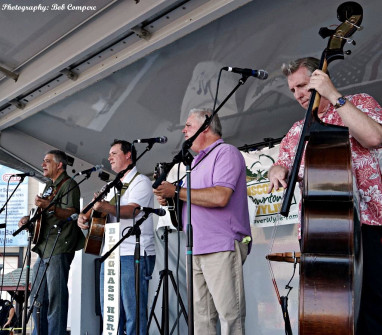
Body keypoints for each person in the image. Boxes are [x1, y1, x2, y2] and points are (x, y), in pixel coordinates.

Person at [267, 57, 382, 335]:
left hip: (370, 224)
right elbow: (281, 163)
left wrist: (333, 95)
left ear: (320, 78)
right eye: (293, 90)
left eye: (303, 86)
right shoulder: (296, 131)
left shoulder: (360, 103)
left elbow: (374, 137)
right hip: (321, 235)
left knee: (375, 307)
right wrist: (276, 167)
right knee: (331, 314)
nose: (298, 95)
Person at [154, 108, 252, 335]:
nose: (183, 130)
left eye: (188, 125)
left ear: (205, 127)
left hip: (221, 246)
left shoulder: (226, 152)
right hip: (195, 248)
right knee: (201, 320)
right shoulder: (196, 163)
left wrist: (176, 191)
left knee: (230, 317)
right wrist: (170, 200)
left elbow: (220, 196)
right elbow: (190, 201)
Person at [77, 139, 155, 335]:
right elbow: (94, 213)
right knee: (110, 312)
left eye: (114, 153)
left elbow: (132, 211)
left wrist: (106, 207)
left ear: (128, 155)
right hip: (111, 253)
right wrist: (83, 217)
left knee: (133, 311)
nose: (109, 157)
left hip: (134, 253)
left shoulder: (140, 181)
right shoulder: (112, 185)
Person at [18, 150, 84, 335]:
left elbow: (71, 213)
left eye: (47, 161)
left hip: (59, 245)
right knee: (37, 297)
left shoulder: (69, 184)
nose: (42, 164)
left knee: (56, 298)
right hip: (44, 246)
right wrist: (27, 219)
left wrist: (48, 206)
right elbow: (42, 213)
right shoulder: (48, 185)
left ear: (59, 165)